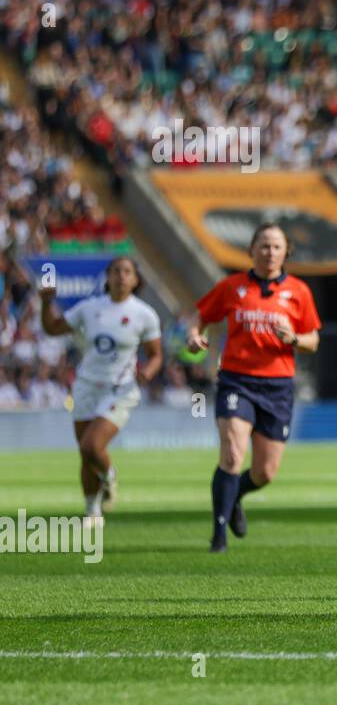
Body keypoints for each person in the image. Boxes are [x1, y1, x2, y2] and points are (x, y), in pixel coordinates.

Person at [187, 223, 322, 552]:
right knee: (232, 454)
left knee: (264, 472)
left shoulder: (299, 291)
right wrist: (193, 335)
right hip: (237, 379)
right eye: (263, 246)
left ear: (285, 252)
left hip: (277, 386)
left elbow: (313, 341)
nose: (270, 252)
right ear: (251, 250)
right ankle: (218, 536)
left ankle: (236, 497)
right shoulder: (232, 287)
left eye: (276, 247)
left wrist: (293, 339)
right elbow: (199, 315)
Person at [38, 256, 162, 518]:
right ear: (107, 277)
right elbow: (52, 328)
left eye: (127, 271)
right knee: (86, 455)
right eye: (115, 271)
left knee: (91, 446)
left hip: (120, 389)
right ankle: (92, 512)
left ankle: (110, 475)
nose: (121, 276)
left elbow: (156, 355)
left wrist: (148, 372)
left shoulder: (144, 314)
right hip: (85, 386)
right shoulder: (90, 308)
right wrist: (46, 302)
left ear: (136, 279)